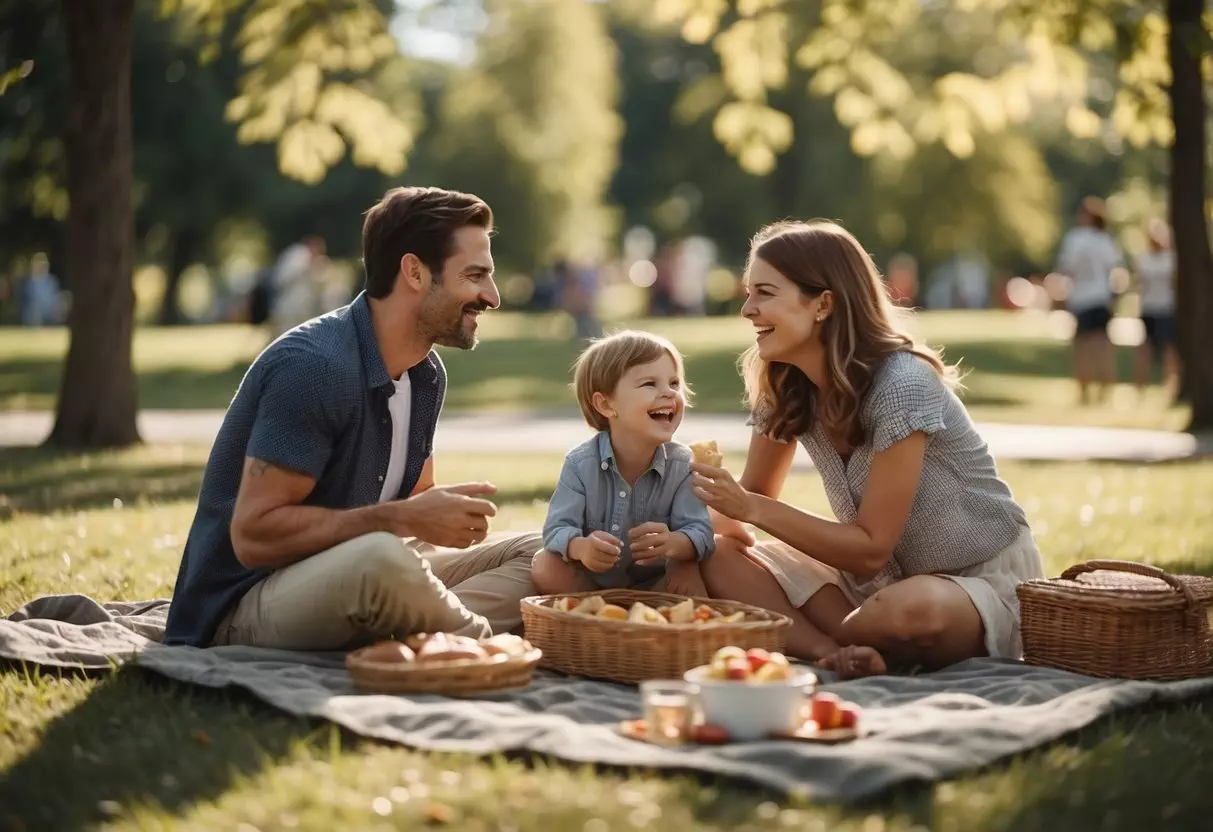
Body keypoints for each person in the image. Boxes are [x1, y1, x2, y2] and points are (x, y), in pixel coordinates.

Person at [163, 186, 542, 649]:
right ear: (415, 272)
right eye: (476, 275)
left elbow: (413, 510)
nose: (493, 296)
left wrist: (438, 515)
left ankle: (426, 634)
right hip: (245, 603)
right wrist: (401, 518)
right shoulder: (315, 367)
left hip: (366, 574)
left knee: (543, 553)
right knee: (381, 560)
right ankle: (482, 646)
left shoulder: (426, 376)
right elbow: (253, 537)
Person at [685, 220, 1044, 678]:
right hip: (870, 587)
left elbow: (871, 547)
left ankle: (836, 639)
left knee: (913, 609)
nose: (747, 309)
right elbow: (746, 509)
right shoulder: (783, 383)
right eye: (748, 293)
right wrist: (665, 529)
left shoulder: (903, 385)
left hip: (973, 585)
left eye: (765, 293)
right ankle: (837, 651)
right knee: (716, 554)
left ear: (823, 304)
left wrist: (749, 507)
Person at [532, 331, 714, 596]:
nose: (668, 393)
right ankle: (595, 621)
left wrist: (674, 544)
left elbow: (701, 532)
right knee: (545, 565)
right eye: (650, 383)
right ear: (606, 404)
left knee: (692, 575)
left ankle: (667, 629)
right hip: (592, 586)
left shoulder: (683, 464)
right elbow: (556, 529)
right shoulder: (581, 464)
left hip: (655, 585)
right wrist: (581, 548)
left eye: (674, 383)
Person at [1055, 197, 1122, 404]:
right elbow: (1115, 271)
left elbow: (1066, 269)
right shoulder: (1105, 240)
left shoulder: (1075, 239)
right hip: (1101, 297)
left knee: (1082, 349)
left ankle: (1085, 394)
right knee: (1103, 347)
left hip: (1082, 299)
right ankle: (1105, 393)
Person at [1133, 218, 1180, 398]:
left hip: (1160, 307)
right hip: (1157, 307)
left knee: (1163, 349)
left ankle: (1168, 385)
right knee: (1154, 349)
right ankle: (1145, 386)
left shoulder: (1157, 259)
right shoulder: (1165, 259)